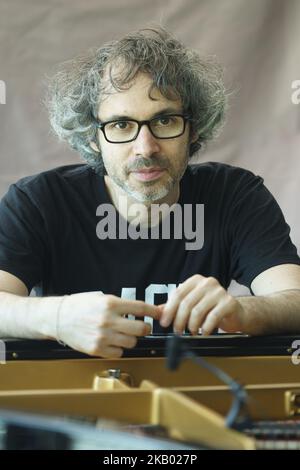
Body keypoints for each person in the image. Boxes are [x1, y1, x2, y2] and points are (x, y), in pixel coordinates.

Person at [0, 27, 300, 358]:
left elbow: (294, 298)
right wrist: (58, 317)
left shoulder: (235, 195)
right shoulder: (39, 201)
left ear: (193, 128)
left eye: (165, 121)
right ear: (92, 138)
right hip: (72, 400)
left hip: (201, 396)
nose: (146, 147)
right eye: (121, 125)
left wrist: (245, 313)